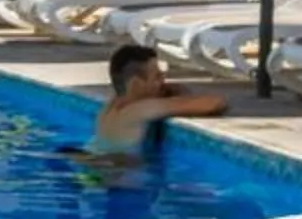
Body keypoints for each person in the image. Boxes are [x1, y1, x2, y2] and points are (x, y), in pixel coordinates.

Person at [93, 45, 227, 155]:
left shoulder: (108, 108)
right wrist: (179, 93)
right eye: (157, 76)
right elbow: (214, 103)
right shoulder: (140, 110)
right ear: (136, 84)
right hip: (121, 176)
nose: (163, 81)